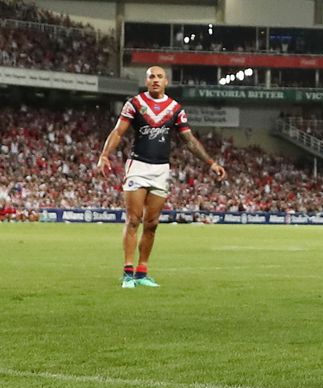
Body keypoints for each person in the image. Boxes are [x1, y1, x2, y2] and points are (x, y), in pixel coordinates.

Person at [97, 66, 226, 289]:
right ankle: (128, 273)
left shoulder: (175, 108)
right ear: (146, 82)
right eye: (151, 77)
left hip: (161, 170)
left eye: (159, 77)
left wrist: (211, 162)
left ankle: (142, 272)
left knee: (152, 223)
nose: (155, 80)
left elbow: (189, 140)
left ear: (166, 81)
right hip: (138, 166)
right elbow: (118, 131)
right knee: (133, 220)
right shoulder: (135, 104)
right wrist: (105, 155)